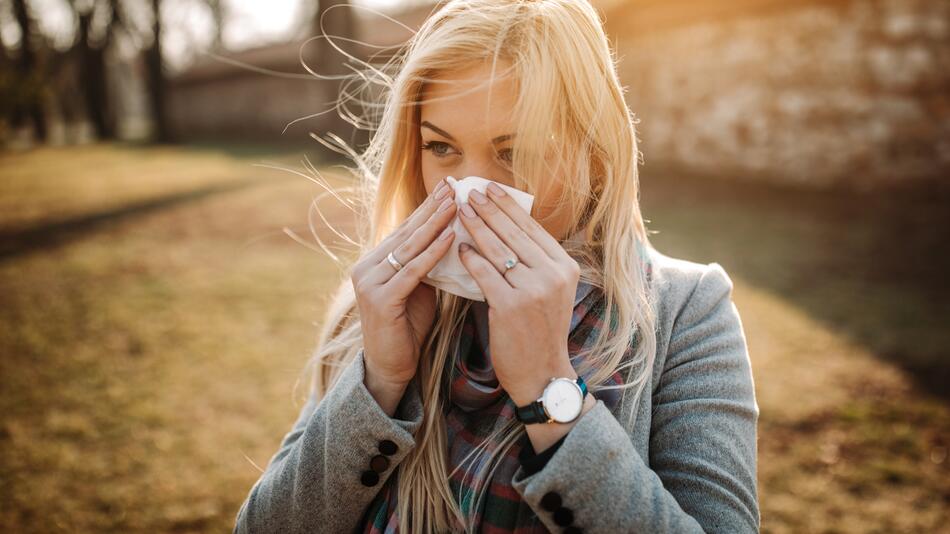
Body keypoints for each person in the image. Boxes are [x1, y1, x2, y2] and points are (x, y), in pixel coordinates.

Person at [233, 0, 760, 532]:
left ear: (593, 154)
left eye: (513, 152)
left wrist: (547, 386)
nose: (470, 194)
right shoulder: (379, 306)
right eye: (441, 147)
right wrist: (379, 382)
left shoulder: (687, 312)